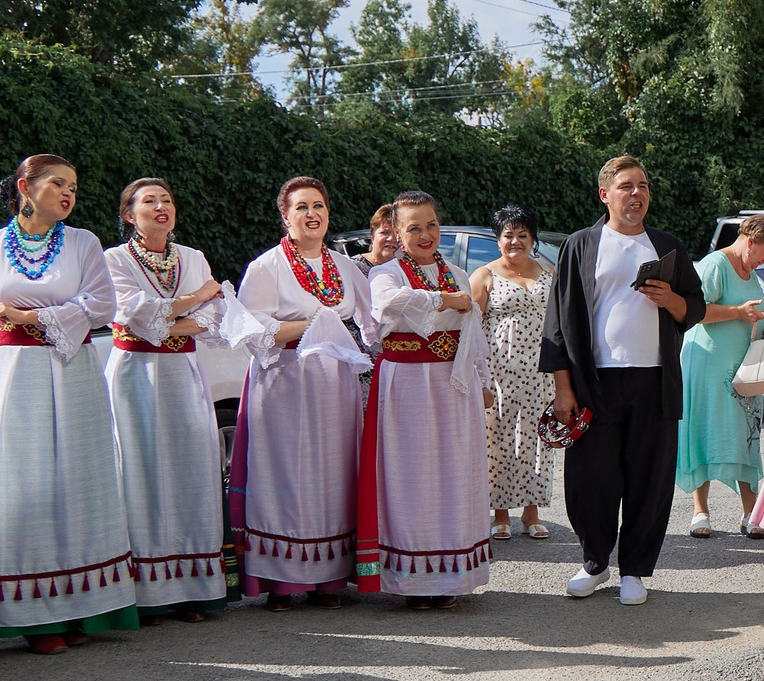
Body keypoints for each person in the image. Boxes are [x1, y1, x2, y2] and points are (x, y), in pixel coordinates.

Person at [0, 154, 141, 655]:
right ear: (25, 188)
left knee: (75, 484)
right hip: (7, 379)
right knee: (18, 487)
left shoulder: (83, 242)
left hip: (69, 371)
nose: (68, 193)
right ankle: (30, 615)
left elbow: (101, 304)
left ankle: (82, 605)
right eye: (58, 183)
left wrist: (28, 314)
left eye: (74, 186)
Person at [539, 155, 706, 604]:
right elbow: (557, 321)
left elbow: (696, 307)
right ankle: (594, 562)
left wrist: (671, 299)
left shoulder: (666, 246)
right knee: (590, 477)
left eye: (644, 186)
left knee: (649, 479)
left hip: (655, 381)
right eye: (627, 186)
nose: (638, 194)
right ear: (605, 194)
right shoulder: (580, 245)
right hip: (595, 382)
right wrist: (563, 386)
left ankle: (634, 570)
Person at [105, 178, 249, 622]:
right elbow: (134, 314)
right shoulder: (114, 259)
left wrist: (177, 314)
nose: (161, 206)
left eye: (166, 199)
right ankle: (146, 593)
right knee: (141, 472)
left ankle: (191, 589)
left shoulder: (192, 257)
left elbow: (214, 316)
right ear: (130, 214)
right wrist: (193, 300)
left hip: (184, 373)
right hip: (134, 376)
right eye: (149, 201)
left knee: (191, 470)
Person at [233, 176, 378, 610]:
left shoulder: (344, 264)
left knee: (333, 473)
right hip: (284, 378)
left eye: (318, 205)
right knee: (285, 474)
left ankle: (329, 576)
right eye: (301, 207)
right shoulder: (266, 267)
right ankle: (281, 580)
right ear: (285, 216)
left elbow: (375, 323)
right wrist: (315, 326)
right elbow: (252, 330)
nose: (311, 214)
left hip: (334, 381)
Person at [358, 192, 493, 609]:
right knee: (410, 478)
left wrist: (485, 379)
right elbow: (389, 304)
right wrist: (444, 301)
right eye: (413, 227)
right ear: (397, 233)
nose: (425, 234)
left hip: (455, 384)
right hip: (407, 386)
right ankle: (413, 580)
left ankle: (451, 575)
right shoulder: (386, 273)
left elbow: (473, 334)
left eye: (431, 224)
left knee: (455, 474)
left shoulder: (455, 271)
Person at [679, 214, 764, 536]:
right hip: (708, 362)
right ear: (750, 241)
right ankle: (700, 512)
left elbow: (750, 312)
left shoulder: (749, 269)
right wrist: (739, 313)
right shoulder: (714, 264)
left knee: (745, 433)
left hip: (743, 368)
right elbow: (694, 312)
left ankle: (750, 512)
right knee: (705, 429)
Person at [470, 205, 555, 541]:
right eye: (509, 235)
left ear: (533, 239)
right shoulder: (484, 275)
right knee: (500, 440)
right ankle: (500, 513)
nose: (515, 241)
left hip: (540, 373)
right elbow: (472, 329)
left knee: (536, 439)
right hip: (499, 372)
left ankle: (532, 512)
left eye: (523, 235)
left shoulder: (549, 271)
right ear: (498, 239)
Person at [357, 204, 401, 274]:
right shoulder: (354, 267)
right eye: (385, 232)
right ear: (372, 236)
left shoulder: (405, 268)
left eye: (397, 234)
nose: (392, 239)